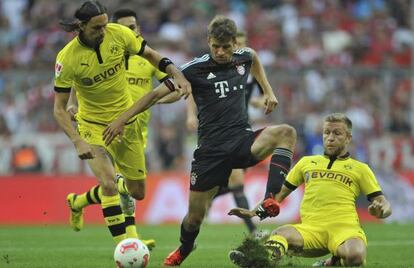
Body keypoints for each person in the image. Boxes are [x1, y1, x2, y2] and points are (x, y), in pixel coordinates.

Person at [102, 15, 297, 266]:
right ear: (208, 41)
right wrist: (121, 119)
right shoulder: (193, 69)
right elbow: (152, 95)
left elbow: (255, 58)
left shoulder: (244, 56)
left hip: (241, 140)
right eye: (215, 45)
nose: (220, 51)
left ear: (234, 44)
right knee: (194, 218)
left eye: (226, 47)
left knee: (286, 132)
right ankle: (184, 248)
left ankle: (270, 198)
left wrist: (268, 91)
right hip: (209, 153)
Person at [53, 0, 190, 245]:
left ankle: (78, 201)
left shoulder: (120, 35)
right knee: (108, 184)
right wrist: (77, 140)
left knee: (137, 192)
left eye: (105, 26)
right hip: (92, 125)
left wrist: (176, 73)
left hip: (128, 124)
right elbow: (59, 109)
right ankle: (126, 246)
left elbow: (152, 55)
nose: (103, 32)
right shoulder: (67, 58)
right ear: (81, 27)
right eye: (97, 28)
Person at [228, 113, 392, 267]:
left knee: (355, 256)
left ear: (349, 137)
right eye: (326, 132)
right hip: (311, 230)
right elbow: (278, 196)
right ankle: (257, 261)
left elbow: (383, 203)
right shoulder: (306, 162)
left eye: (337, 133)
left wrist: (382, 211)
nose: (330, 138)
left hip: (345, 229)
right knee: (280, 233)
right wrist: (253, 213)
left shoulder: (360, 169)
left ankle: (331, 262)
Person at [185, 31, 265, 236]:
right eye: (238, 43)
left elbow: (260, 95)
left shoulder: (247, 69)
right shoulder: (216, 70)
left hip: (240, 129)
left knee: (230, 182)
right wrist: (191, 115)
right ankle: (253, 230)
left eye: (244, 44)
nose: (241, 48)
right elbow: (193, 90)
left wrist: (261, 100)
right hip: (216, 134)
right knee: (237, 183)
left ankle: (209, 199)